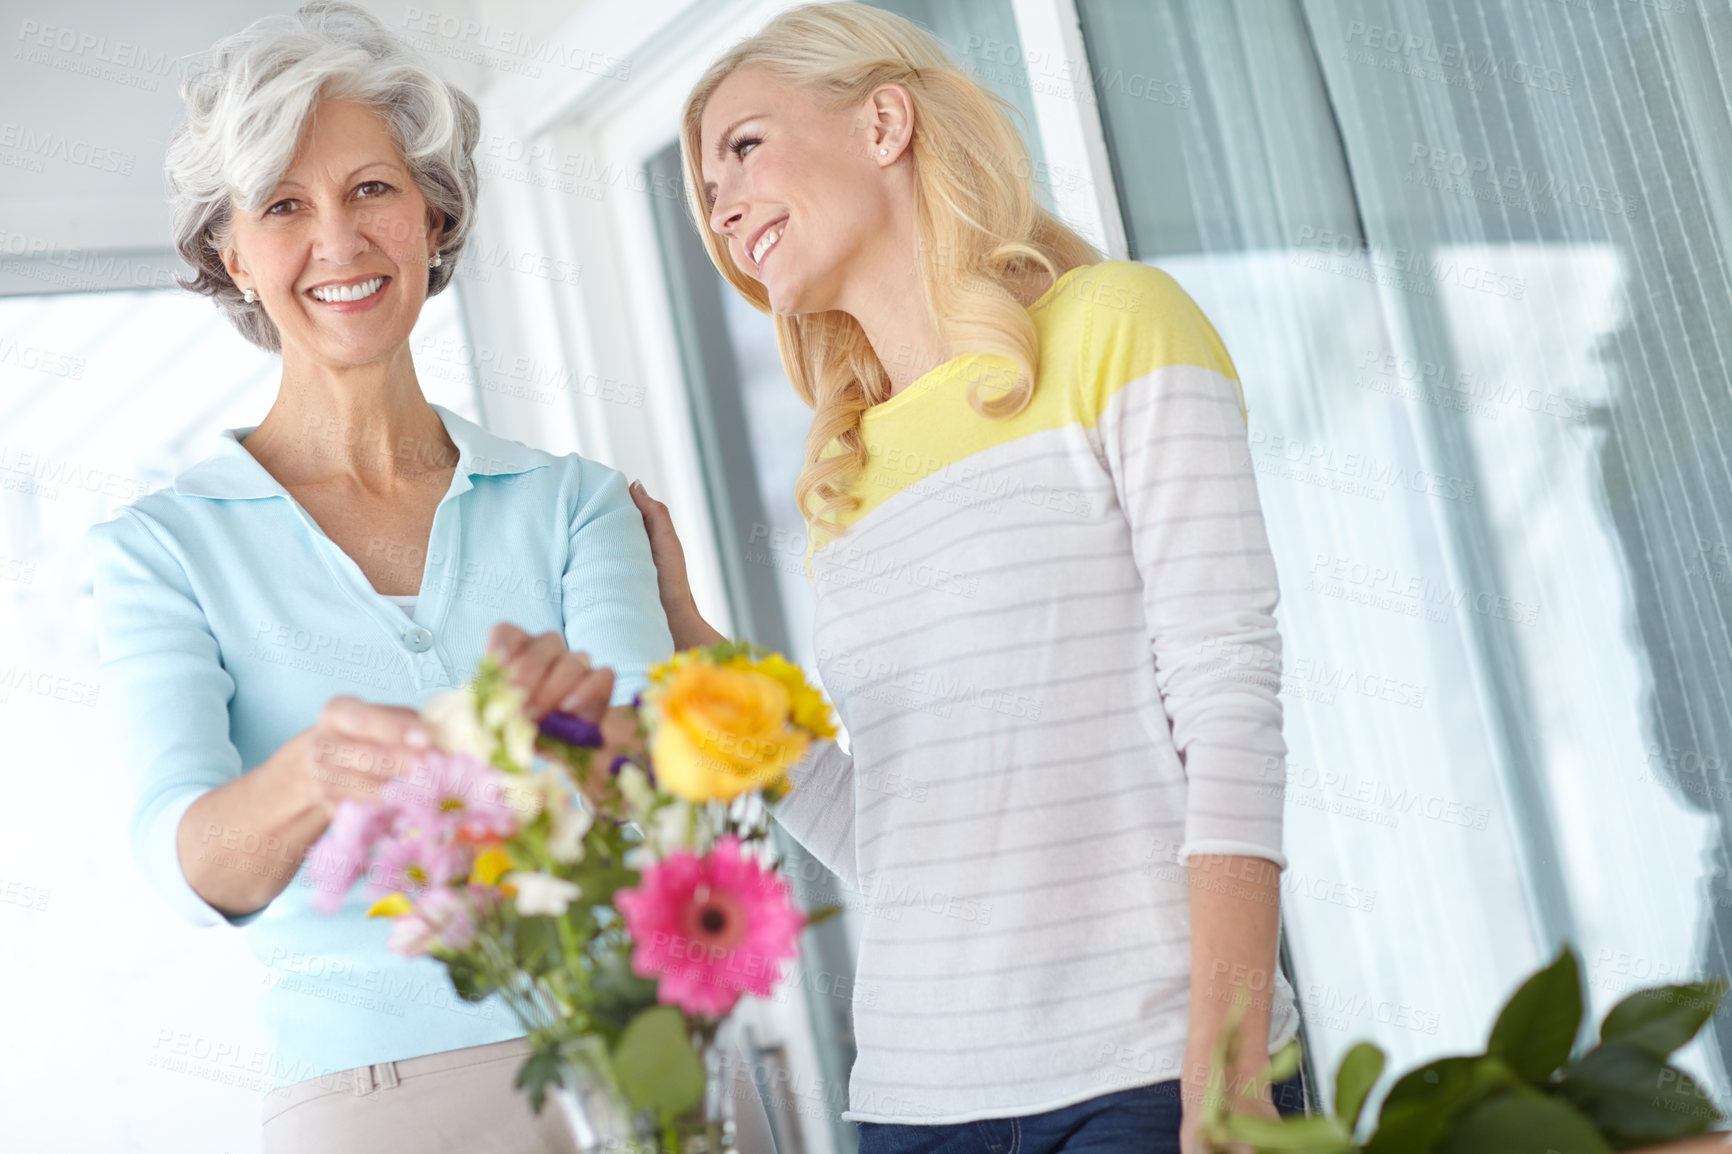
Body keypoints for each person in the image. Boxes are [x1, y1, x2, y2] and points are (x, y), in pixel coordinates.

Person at [626, 4, 1306, 1151]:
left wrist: (1227, 1055)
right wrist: (694, 642)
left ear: (884, 120)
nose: (721, 204)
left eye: (743, 146)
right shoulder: (848, 469)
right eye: (704, 188)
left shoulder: (1113, 326)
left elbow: (1228, 696)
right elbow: (892, 833)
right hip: (914, 1098)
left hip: (1145, 1074)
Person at [86, 5, 666, 1151]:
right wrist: (314, 773)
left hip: (627, 1063)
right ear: (230, 254)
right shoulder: (161, 547)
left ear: (432, 216)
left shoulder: (573, 503)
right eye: (284, 206)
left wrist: (585, 740)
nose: (338, 241)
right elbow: (187, 856)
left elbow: (662, 780)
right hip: (369, 1100)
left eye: (370, 190)